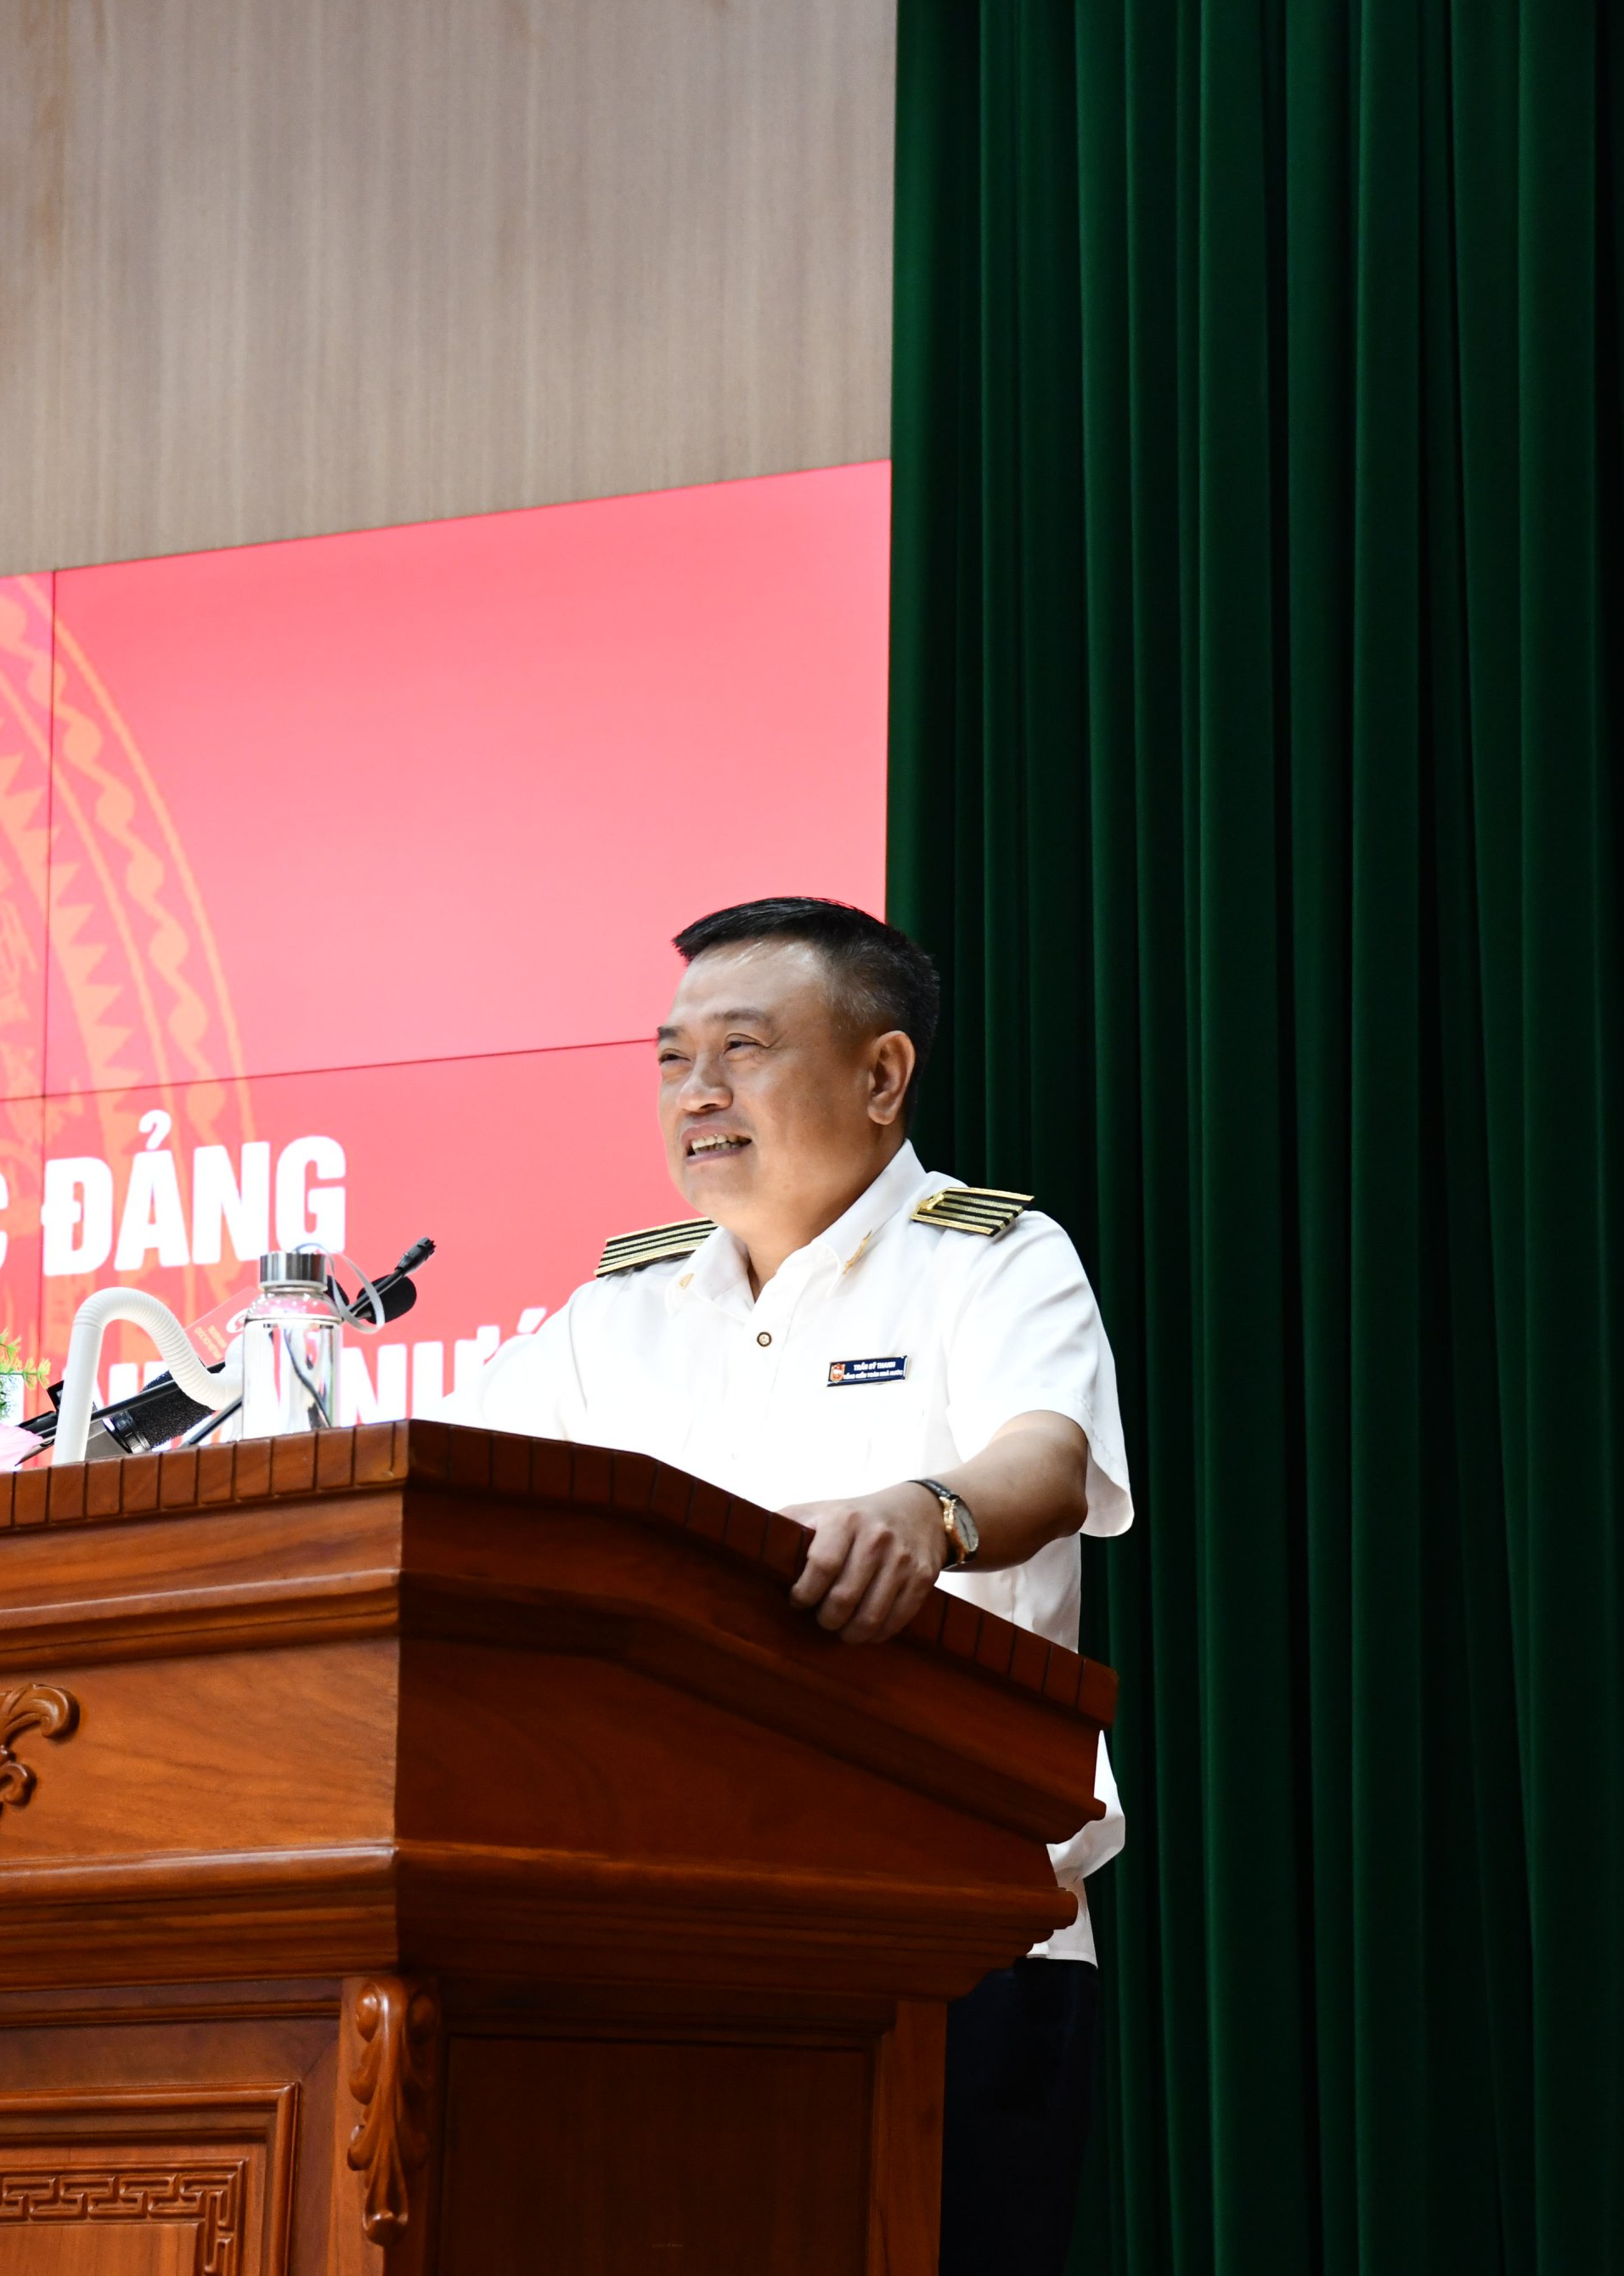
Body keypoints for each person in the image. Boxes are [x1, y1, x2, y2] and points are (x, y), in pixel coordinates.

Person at [436, 894, 1131, 2273]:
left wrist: (928, 1512)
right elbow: (445, 1484)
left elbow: (1047, 1461)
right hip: (666, 1948)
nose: (696, 1090)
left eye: (742, 1048)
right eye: (672, 1057)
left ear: (882, 1075)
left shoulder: (990, 1257)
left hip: (954, 1936)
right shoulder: (615, 1312)